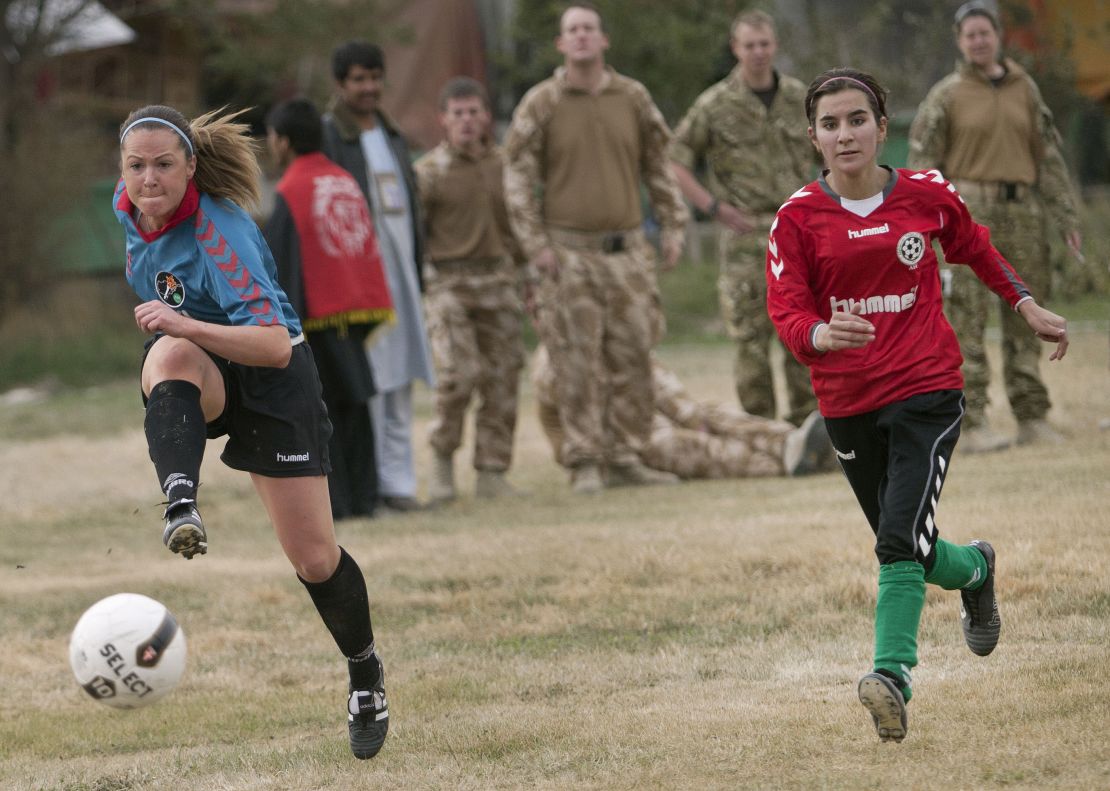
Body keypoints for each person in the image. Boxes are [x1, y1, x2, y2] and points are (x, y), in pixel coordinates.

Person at [765, 69, 1068, 742]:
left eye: (857, 119)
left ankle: (891, 676)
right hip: (846, 402)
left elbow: (976, 247)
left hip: (927, 388)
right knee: (911, 545)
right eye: (830, 123)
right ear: (813, 136)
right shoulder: (796, 218)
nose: (845, 133)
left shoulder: (927, 195)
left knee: (897, 540)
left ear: (882, 124)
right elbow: (785, 309)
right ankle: (978, 567)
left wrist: (1023, 302)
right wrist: (817, 332)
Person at [114, 105, 389, 759]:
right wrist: (181, 334)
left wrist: (185, 324)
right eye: (135, 165)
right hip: (208, 366)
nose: (148, 179)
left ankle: (365, 674)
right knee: (168, 359)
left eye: (162, 165)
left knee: (314, 558)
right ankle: (181, 499)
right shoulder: (130, 215)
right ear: (121, 170)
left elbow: (271, 344)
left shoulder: (221, 231)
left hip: (273, 378)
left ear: (190, 168)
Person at [504, 2, 689, 494]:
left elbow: (658, 165)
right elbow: (517, 176)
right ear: (562, 44)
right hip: (567, 254)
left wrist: (673, 226)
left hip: (627, 252)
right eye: (572, 31)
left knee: (633, 354)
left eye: (589, 29)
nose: (582, 37)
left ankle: (628, 455)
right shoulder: (541, 102)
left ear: (603, 40)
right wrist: (534, 245)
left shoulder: (632, 96)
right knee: (576, 360)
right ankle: (585, 460)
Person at [908, 1, 1083, 453]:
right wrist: (925, 218)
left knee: (1027, 310)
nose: (978, 41)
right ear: (959, 40)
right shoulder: (945, 95)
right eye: (970, 35)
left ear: (998, 36)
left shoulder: (1026, 88)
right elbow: (923, 163)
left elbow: (1047, 157)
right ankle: (973, 419)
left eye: (985, 33)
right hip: (969, 211)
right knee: (965, 315)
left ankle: (1031, 415)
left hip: (1023, 212)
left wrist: (1065, 214)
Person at [669, 10, 816, 426]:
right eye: (748, 45)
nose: (757, 52)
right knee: (750, 343)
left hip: (794, 232)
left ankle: (808, 426)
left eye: (764, 44)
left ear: (775, 46)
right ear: (735, 48)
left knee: (803, 333)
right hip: (744, 235)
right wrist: (712, 207)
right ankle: (762, 430)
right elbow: (675, 160)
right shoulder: (715, 104)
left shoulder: (799, 99)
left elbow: (827, 151)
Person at [263, 97, 394, 521]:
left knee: (321, 413)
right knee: (356, 405)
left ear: (283, 141)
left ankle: (338, 504)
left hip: (314, 320)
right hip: (350, 315)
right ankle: (366, 497)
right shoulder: (342, 179)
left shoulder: (291, 190)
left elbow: (278, 264)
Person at [322, 40, 435, 512]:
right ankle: (372, 486)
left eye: (375, 78)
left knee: (402, 376)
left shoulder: (391, 135)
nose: (369, 88)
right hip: (361, 285)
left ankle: (401, 484)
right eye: (358, 79)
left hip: (403, 277)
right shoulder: (331, 136)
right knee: (372, 382)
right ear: (341, 84)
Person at [414, 78, 527, 504]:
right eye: (457, 113)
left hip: (499, 281)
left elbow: (520, 225)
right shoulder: (428, 172)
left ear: (486, 117)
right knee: (459, 377)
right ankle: (442, 461)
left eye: (473, 112)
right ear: (443, 120)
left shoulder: (506, 167)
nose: (466, 121)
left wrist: (527, 274)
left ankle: (493, 471)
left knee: (503, 377)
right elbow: (413, 235)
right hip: (449, 285)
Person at [532, 345, 835, 480]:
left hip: (647, 421)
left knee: (715, 415)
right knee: (684, 445)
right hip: (619, 444)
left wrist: (693, 417)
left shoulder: (615, 339)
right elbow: (591, 423)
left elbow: (660, 383)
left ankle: (793, 443)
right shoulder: (553, 362)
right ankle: (788, 464)